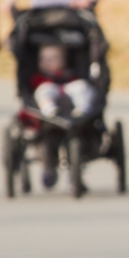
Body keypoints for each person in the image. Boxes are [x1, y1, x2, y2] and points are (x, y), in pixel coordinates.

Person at [30, 42, 96, 190]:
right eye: (44, 58)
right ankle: (48, 107)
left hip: (74, 113)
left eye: (54, 57)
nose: (48, 61)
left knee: (81, 88)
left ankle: (83, 108)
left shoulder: (71, 76)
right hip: (50, 122)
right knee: (44, 90)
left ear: (64, 60)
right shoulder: (39, 79)